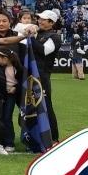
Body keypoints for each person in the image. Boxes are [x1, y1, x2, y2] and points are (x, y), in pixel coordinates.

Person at [32, 10, 63, 142]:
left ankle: (54, 138)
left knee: (46, 106)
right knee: (31, 106)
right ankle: (33, 137)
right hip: (30, 74)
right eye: (39, 18)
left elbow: (43, 51)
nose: (40, 21)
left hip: (42, 76)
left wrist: (30, 37)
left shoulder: (54, 37)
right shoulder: (37, 33)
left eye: (43, 19)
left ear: (51, 22)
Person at [0, 46, 26, 153]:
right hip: (5, 95)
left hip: (17, 95)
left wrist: (15, 88)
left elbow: (24, 81)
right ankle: (8, 142)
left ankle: (29, 140)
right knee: (6, 117)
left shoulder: (19, 68)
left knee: (25, 116)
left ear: (6, 58)